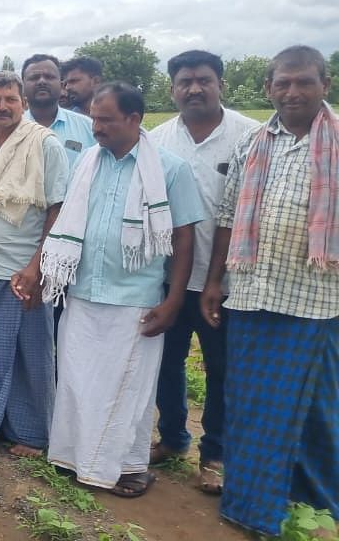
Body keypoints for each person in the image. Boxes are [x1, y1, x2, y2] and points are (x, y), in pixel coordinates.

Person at [43, 82, 203, 498]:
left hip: (135, 297)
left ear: (134, 120)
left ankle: (126, 468)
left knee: (127, 389)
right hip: (81, 291)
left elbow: (185, 238)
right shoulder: (87, 164)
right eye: (94, 118)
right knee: (78, 380)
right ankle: (74, 458)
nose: (96, 127)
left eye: (106, 119)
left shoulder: (169, 168)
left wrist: (174, 300)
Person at [205, 45, 339, 535]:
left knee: (315, 413)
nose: (293, 91)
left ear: (324, 84)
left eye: (304, 82)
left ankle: (317, 510)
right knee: (250, 406)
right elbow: (226, 217)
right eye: (283, 83)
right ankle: (252, 508)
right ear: (268, 89)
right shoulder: (254, 143)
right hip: (250, 296)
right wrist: (214, 281)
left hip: (317, 302)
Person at [148, 50, 260, 495]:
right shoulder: (156, 140)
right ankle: (173, 438)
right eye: (185, 81)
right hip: (167, 278)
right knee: (166, 364)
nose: (194, 88)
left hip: (228, 283)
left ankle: (215, 454)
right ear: (172, 88)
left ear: (221, 84)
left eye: (204, 80)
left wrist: (219, 279)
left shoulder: (250, 137)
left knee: (221, 369)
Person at [0, 71, 67, 456]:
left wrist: (38, 266)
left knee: (29, 354)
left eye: (10, 99)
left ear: (23, 103)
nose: (2, 107)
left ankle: (34, 434)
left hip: (24, 269)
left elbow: (58, 207)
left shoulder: (44, 145)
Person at [21, 54, 95, 169]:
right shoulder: (12, 129)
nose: (41, 81)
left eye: (49, 77)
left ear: (61, 85)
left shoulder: (88, 127)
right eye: (34, 77)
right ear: (23, 86)